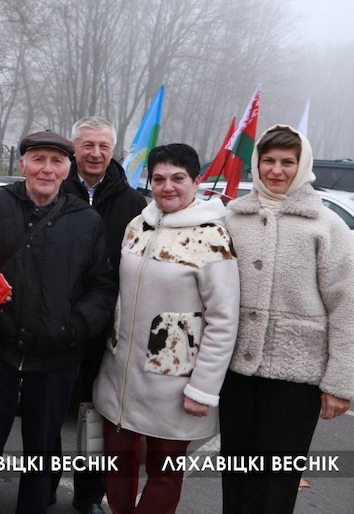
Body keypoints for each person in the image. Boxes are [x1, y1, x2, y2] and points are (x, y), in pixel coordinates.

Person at [0, 130, 117, 514]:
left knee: (42, 450)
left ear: (67, 169)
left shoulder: (86, 220)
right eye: (38, 159)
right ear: (23, 164)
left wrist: (74, 327)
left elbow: (101, 286)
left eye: (56, 161)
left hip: (56, 358)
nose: (46, 169)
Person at [93, 143, 240, 514]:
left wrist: (202, 389)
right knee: (117, 466)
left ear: (197, 181)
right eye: (159, 179)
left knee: (164, 474)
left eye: (178, 178)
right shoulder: (137, 226)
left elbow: (223, 320)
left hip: (174, 382)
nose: (167, 187)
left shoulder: (212, 238)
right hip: (120, 377)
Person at [221, 125, 354, 514]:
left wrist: (340, 382)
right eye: (268, 161)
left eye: (287, 162)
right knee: (236, 472)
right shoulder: (232, 218)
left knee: (276, 481)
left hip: (297, 377)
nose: (276, 170)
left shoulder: (326, 225)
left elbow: (347, 305)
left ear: (303, 166)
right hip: (237, 371)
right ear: (256, 164)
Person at [55, 116, 147, 514]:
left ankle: (88, 495)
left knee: (94, 421)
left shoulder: (132, 202)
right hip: (56, 326)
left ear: (114, 150)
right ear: (74, 148)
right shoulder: (54, 188)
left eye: (103, 147)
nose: (95, 154)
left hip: (106, 329)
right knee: (48, 416)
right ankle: (40, 487)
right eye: (87, 145)